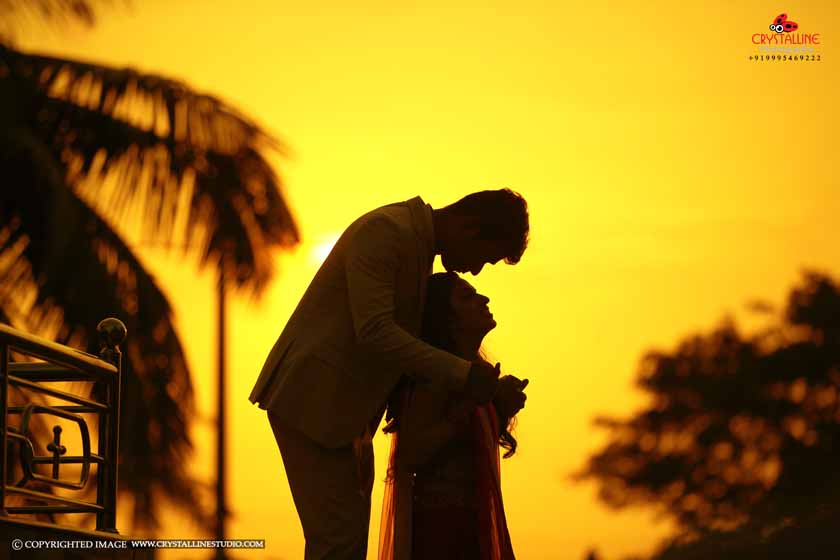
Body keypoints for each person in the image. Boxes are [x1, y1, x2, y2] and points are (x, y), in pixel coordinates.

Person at [249, 190, 529, 559]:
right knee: (337, 545)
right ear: (470, 227)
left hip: (346, 417)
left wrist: (487, 394)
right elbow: (375, 331)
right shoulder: (386, 233)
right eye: (485, 258)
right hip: (314, 405)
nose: (475, 271)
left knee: (343, 546)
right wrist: (464, 376)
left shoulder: (412, 247)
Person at [378, 272, 525, 560]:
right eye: (467, 297)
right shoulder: (436, 377)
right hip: (443, 529)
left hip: (470, 523)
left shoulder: (472, 373)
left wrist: (501, 408)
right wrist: (470, 404)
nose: (484, 299)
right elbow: (412, 453)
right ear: (446, 319)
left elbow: (465, 448)